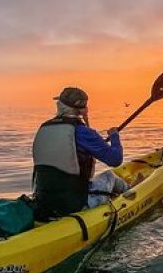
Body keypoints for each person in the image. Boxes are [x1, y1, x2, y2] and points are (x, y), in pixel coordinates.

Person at [31, 86, 125, 219]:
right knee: (110, 176)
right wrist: (114, 136)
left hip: (44, 202)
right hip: (74, 205)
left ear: (59, 105)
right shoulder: (83, 132)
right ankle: (132, 193)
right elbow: (115, 160)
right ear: (83, 109)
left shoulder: (44, 128)